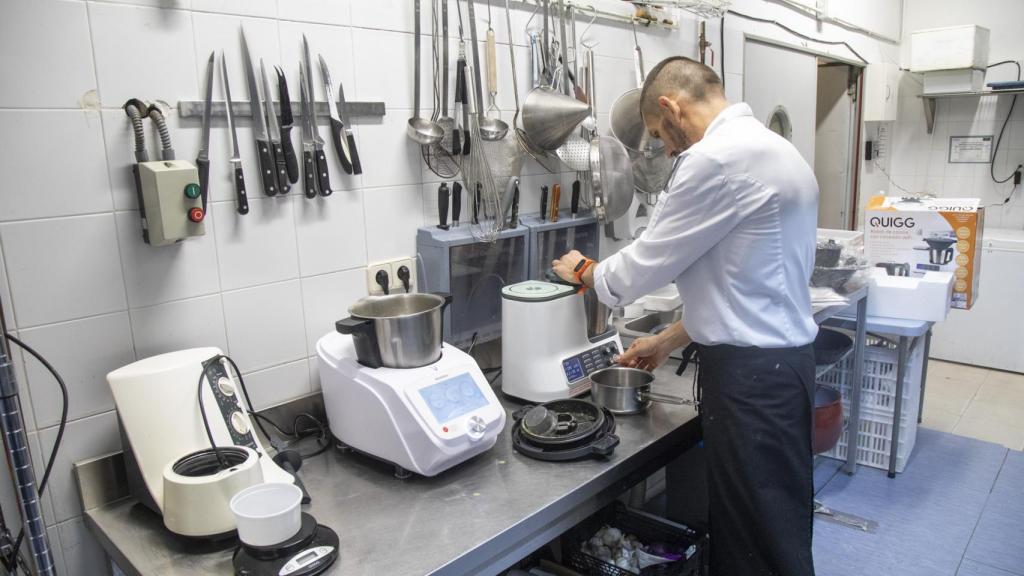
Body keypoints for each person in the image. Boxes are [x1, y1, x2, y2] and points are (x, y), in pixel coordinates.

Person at [552, 56, 820, 576]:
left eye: (658, 133)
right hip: (783, 372)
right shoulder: (775, 148)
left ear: (672, 107)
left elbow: (640, 268)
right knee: (775, 526)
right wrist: (668, 340)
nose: (666, 148)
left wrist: (585, 269)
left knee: (755, 543)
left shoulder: (715, 160)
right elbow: (744, 285)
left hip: (751, 386)